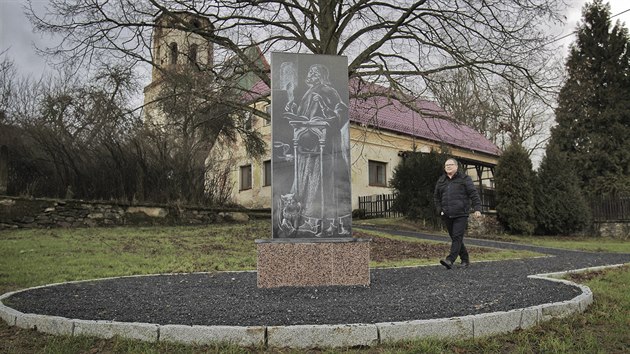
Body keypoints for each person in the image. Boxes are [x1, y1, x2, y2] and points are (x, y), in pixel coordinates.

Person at [433, 158, 482, 269]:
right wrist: (439, 209)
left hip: (461, 213)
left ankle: (450, 260)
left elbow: (473, 194)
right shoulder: (441, 181)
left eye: (450, 164)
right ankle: (465, 259)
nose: (448, 167)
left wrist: (477, 208)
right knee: (456, 238)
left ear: (456, 166)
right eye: (446, 165)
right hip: (447, 214)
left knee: (457, 236)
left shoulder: (465, 179)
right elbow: (436, 197)